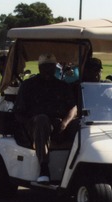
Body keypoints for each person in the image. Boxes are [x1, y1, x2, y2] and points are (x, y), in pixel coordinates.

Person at [14, 53, 77, 183]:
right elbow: (19, 112)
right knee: (42, 120)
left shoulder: (62, 86)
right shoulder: (28, 85)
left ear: (55, 68)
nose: (48, 70)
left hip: (58, 123)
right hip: (34, 124)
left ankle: (79, 166)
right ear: (40, 68)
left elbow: (73, 108)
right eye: (45, 67)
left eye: (51, 67)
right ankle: (44, 167)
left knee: (81, 125)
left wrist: (65, 122)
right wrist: (30, 123)